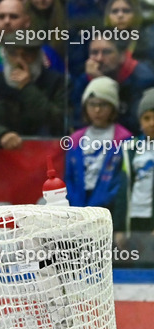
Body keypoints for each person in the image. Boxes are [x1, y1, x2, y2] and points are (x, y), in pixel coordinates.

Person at [0, 37, 66, 148]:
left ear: (38, 56)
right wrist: (0, 135)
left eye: (26, 55)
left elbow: (59, 122)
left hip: (42, 155)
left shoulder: (56, 82)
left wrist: (27, 88)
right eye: (13, 55)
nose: (19, 61)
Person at [65, 77, 131, 230]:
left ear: (113, 107)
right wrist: (77, 207)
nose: (97, 110)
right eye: (92, 104)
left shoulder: (124, 139)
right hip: (77, 213)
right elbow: (69, 177)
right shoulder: (75, 139)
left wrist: (98, 205)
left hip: (108, 213)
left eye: (103, 104)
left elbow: (121, 181)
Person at [71, 38, 154, 134]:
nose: (99, 58)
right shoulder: (85, 79)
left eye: (106, 52)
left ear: (122, 55)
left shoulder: (143, 78)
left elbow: (136, 124)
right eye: (94, 53)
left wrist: (102, 84)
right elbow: (77, 120)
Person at [128, 88, 154, 234]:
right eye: (146, 118)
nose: (152, 123)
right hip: (135, 216)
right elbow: (124, 189)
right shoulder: (131, 149)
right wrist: (120, 227)